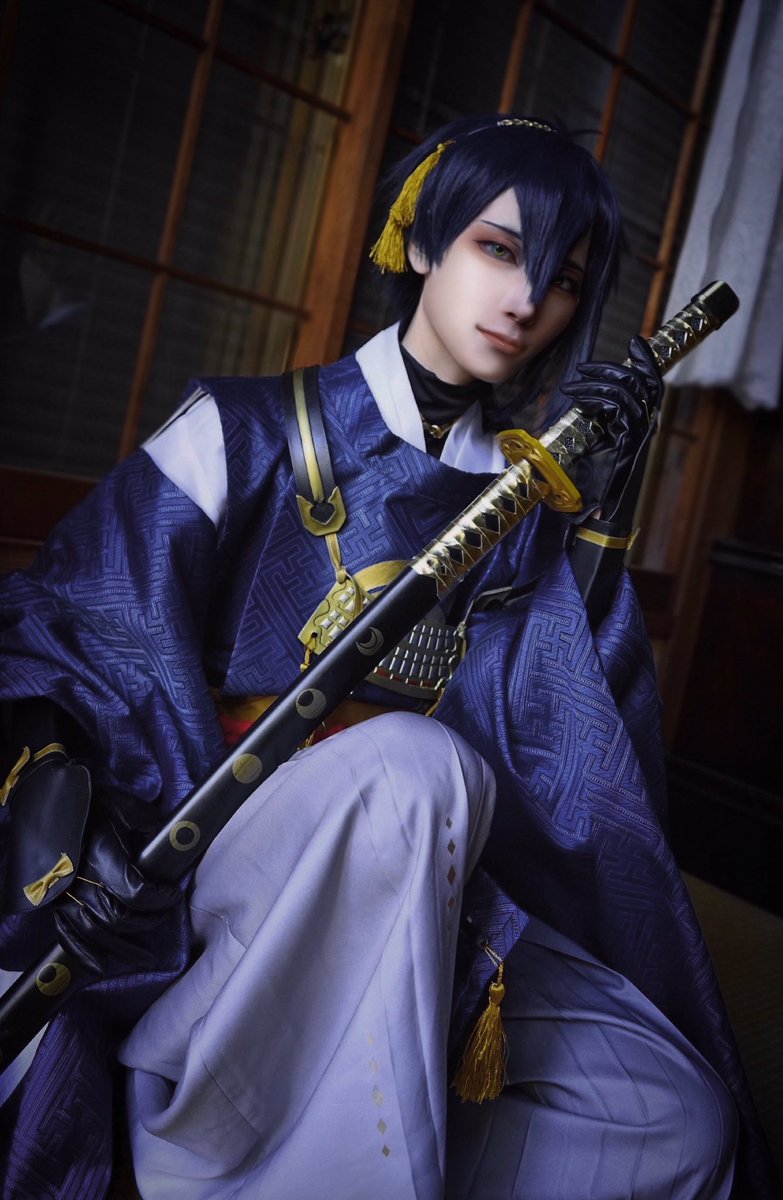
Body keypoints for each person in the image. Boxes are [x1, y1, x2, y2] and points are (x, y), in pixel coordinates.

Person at [0, 114, 775, 1199]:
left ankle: (316, 1152)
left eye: (561, 280)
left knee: (675, 1117)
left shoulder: (528, 505)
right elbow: (67, 631)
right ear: (418, 241)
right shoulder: (246, 429)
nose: (525, 299)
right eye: (498, 249)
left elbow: (578, 762)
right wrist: (75, 846)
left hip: (430, 888)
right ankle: (222, 1136)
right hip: (212, 881)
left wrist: (597, 522)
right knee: (417, 765)